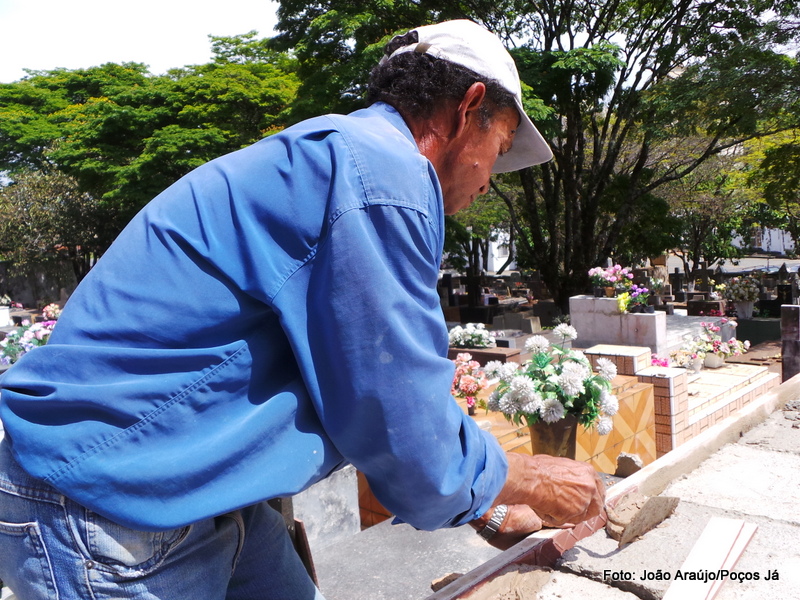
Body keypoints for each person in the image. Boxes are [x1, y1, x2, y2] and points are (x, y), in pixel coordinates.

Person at [0, 19, 605, 599]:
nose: (488, 181)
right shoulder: (385, 175)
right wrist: (524, 477)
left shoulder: (350, 159)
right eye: (497, 151)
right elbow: (396, 412)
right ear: (468, 108)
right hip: (106, 492)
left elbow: (364, 389)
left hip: (189, 485)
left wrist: (481, 498)